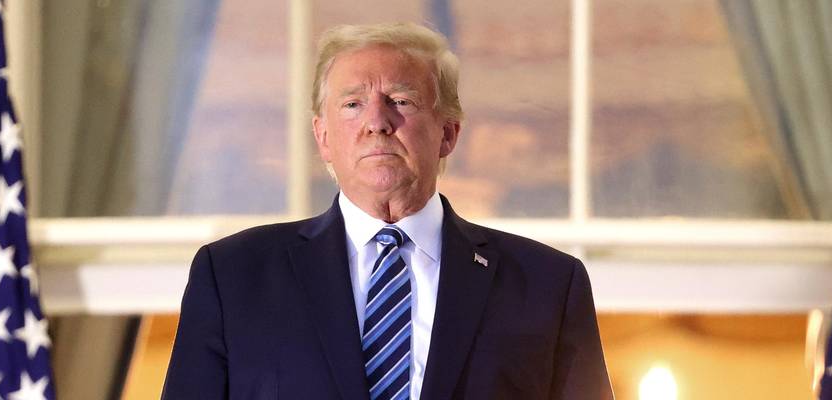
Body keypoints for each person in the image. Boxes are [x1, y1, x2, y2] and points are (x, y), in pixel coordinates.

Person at [162, 22, 612, 400]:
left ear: (448, 133)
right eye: (353, 104)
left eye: (401, 101)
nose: (377, 122)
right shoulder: (232, 277)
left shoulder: (548, 285)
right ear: (323, 137)